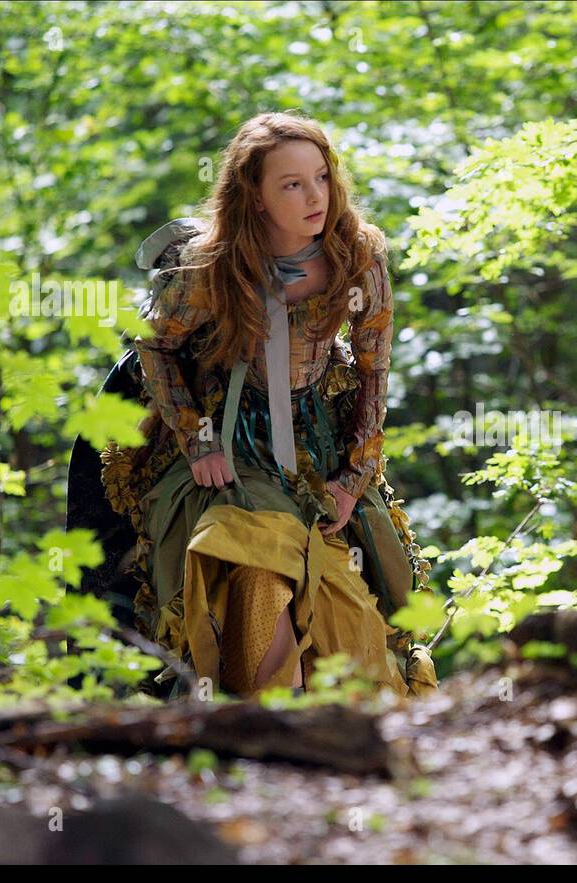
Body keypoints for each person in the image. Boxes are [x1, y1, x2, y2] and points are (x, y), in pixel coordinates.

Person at [96, 112, 435, 701]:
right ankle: (261, 713)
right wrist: (198, 438)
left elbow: (375, 371)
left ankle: (336, 722)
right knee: (247, 559)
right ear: (253, 196)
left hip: (320, 436)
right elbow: (151, 344)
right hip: (230, 432)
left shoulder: (358, 256)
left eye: (322, 178)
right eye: (292, 184)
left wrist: (354, 478)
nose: (315, 197)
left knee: (348, 589)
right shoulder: (209, 265)